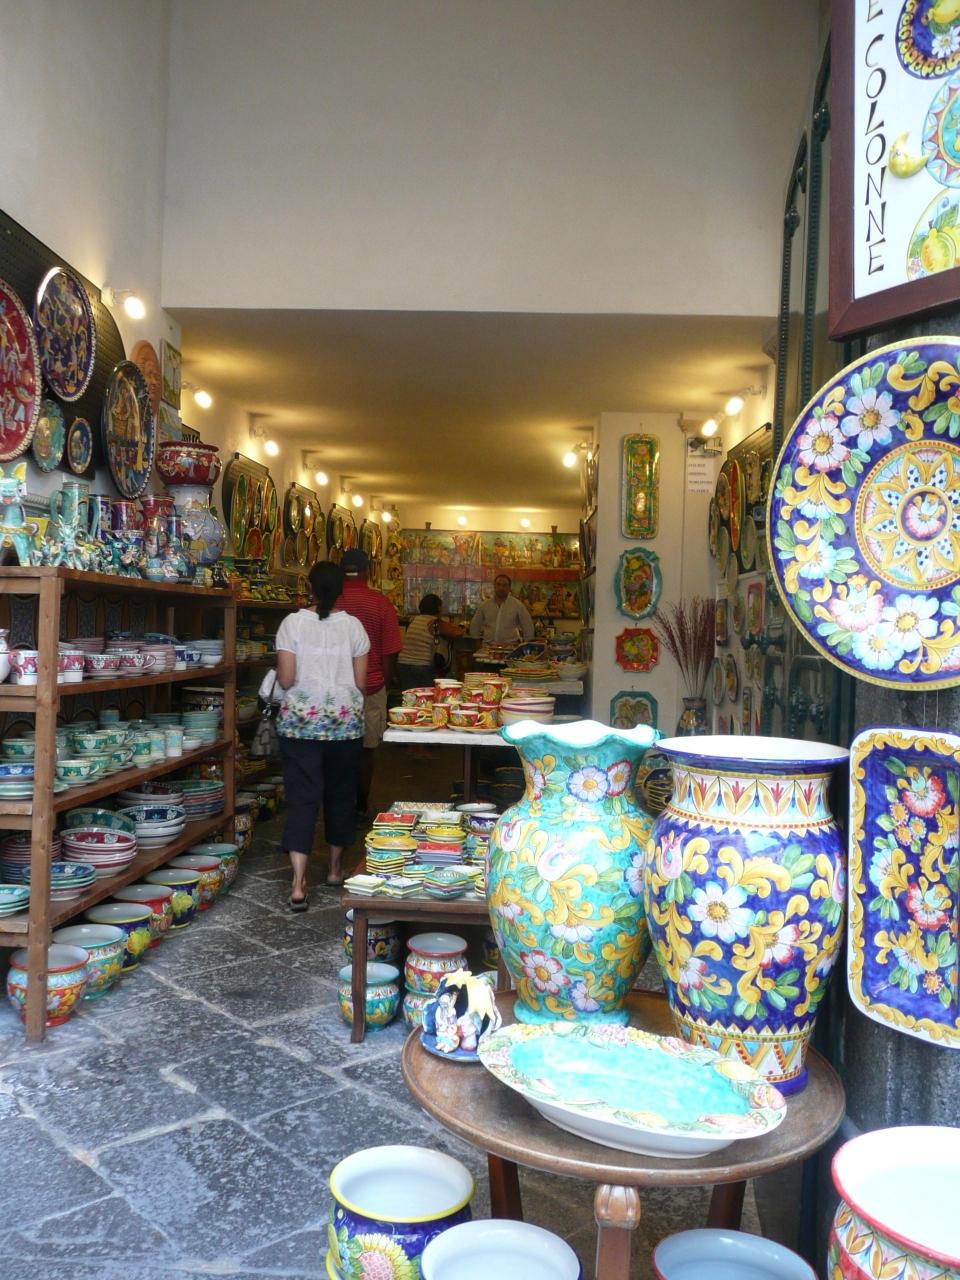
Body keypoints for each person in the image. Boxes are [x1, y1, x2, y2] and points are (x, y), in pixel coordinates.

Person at [275, 560, 369, 907]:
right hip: (345, 726)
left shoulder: (292, 624)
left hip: (300, 726)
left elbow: (286, 679)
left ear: (309, 588)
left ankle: (298, 884)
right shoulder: (355, 628)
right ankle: (333, 869)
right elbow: (360, 683)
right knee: (340, 796)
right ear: (341, 590)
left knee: (302, 799)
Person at [336, 547, 403, 814]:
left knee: (337, 751)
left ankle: (339, 804)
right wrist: (384, 682)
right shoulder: (381, 603)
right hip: (372, 686)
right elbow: (390, 652)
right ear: (367, 571)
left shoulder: (332, 602)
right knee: (366, 751)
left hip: (335, 691)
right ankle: (362, 806)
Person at [397, 593, 463, 690]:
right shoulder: (435, 622)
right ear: (438, 608)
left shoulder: (413, 620)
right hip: (423, 666)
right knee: (426, 696)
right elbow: (458, 632)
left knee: (410, 696)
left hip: (403, 665)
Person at [468, 573, 535, 645]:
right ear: (494, 586)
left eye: (504, 585)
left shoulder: (517, 605)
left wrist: (525, 647)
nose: (501, 588)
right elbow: (475, 625)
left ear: (509, 587)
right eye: (498, 584)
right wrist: (478, 645)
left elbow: (528, 626)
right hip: (488, 647)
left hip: (510, 647)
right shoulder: (485, 605)